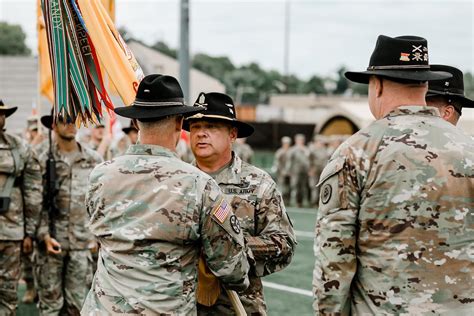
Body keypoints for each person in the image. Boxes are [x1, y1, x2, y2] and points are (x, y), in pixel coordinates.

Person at [313, 34, 474, 315]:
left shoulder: (357, 151)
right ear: (424, 84)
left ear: (376, 86)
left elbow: (334, 261)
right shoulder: (468, 148)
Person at [81, 75, 250, 315]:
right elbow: (231, 267)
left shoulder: (100, 175)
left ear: (137, 122)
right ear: (180, 122)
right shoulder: (199, 185)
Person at [183, 92, 296, 315]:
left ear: (232, 134)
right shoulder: (178, 181)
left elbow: (284, 244)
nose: (201, 133)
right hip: (183, 305)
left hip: (239, 306)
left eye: (211, 126)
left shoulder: (257, 183)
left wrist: (230, 246)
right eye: (195, 127)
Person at [35, 114, 103, 315]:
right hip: (50, 245)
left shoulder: (93, 160)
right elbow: (35, 202)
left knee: (78, 306)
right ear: (54, 125)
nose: (71, 124)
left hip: (82, 245)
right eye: (65, 120)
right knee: (50, 307)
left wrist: (96, 236)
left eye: (74, 119)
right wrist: (43, 235)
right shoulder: (41, 158)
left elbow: (100, 202)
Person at [0, 99, 42, 315]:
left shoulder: (20, 148)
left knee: (8, 293)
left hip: (11, 231)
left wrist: (30, 232)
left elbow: (33, 192)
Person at [286, 133, 310, 207]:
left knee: (303, 186)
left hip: (304, 171)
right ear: (296, 140)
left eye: (302, 140)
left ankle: (301, 201)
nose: (300, 141)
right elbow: (289, 160)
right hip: (295, 171)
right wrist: (288, 170)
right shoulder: (292, 149)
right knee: (295, 185)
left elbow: (308, 160)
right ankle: (295, 201)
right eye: (299, 140)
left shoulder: (306, 149)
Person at [272, 136, 292, 203]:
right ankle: (280, 199)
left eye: (287, 143)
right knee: (281, 186)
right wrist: (281, 170)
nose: (286, 144)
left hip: (290, 173)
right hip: (281, 172)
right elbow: (277, 162)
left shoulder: (291, 151)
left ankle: (287, 200)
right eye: (285, 143)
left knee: (289, 187)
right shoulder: (280, 151)